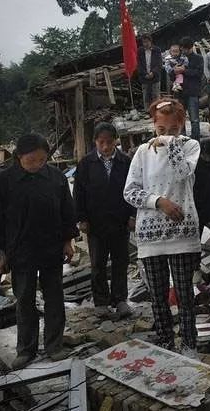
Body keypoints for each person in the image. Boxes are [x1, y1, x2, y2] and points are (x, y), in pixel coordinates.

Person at [0, 134, 78, 369]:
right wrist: (2, 253)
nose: (37, 165)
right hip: (20, 251)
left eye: (42, 160)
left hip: (51, 248)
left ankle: (54, 345)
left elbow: (67, 212)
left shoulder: (55, 178)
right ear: (18, 158)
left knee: (54, 298)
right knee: (24, 300)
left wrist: (68, 241)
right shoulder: (3, 183)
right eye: (31, 160)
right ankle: (26, 350)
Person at [123, 99, 202, 355]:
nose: (167, 135)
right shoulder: (142, 153)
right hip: (151, 236)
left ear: (182, 126)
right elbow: (130, 192)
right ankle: (166, 343)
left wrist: (171, 144)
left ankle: (190, 344)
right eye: (161, 130)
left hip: (182, 233)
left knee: (184, 296)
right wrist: (158, 202)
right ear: (152, 126)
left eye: (173, 130)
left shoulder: (191, 146)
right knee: (158, 297)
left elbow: (182, 173)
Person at [73, 122, 135, 319]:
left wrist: (132, 215)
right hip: (96, 223)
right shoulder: (86, 163)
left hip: (120, 220)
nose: (106, 147)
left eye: (109, 142)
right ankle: (100, 301)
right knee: (98, 264)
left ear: (116, 141)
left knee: (120, 261)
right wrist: (81, 218)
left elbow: (134, 189)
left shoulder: (125, 162)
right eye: (102, 143)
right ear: (95, 142)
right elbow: (79, 192)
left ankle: (120, 299)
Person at [178, 38, 204, 140]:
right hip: (180, 92)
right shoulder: (179, 58)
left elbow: (198, 73)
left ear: (190, 47)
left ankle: (196, 140)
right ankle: (182, 139)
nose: (184, 51)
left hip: (193, 92)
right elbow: (172, 73)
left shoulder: (198, 58)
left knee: (194, 119)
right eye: (182, 49)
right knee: (180, 118)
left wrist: (184, 70)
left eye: (186, 49)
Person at [137, 34, 162, 108]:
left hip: (155, 76)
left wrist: (153, 72)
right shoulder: (140, 51)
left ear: (151, 41)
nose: (145, 44)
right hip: (144, 76)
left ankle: (156, 111)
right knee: (146, 95)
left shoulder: (157, 50)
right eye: (144, 42)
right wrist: (145, 74)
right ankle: (147, 111)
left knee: (156, 95)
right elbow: (139, 64)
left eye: (147, 42)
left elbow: (159, 64)